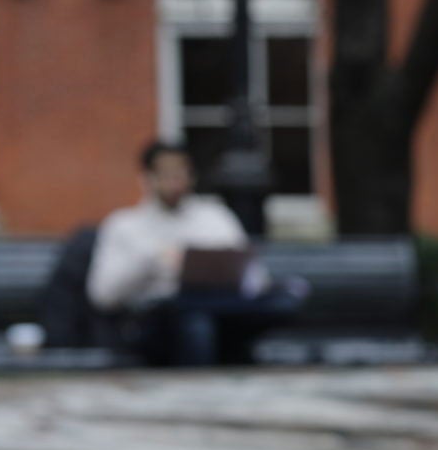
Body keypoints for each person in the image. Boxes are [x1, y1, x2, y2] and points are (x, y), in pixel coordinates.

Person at [88, 140, 298, 366]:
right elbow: (103, 295)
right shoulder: (124, 225)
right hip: (155, 320)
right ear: (147, 178)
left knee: (277, 304)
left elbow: (255, 277)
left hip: (222, 310)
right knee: (195, 323)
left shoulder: (215, 218)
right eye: (166, 173)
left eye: (181, 172)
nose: (175, 181)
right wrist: (153, 259)